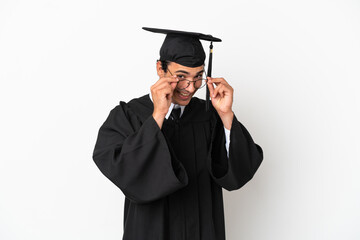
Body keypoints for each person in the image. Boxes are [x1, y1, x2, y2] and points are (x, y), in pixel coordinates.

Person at [92, 27, 263, 240]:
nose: (190, 87)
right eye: (181, 76)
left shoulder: (209, 116)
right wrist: (158, 116)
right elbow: (123, 172)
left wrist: (227, 115)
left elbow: (239, 173)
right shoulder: (129, 115)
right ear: (160, 69)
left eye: (198, 77)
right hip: (151, 231)